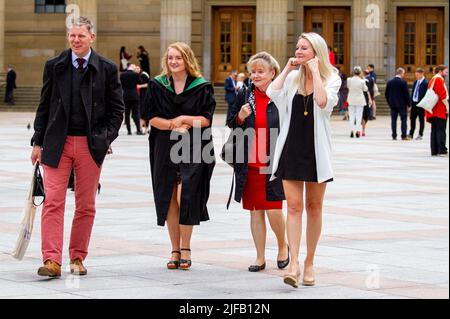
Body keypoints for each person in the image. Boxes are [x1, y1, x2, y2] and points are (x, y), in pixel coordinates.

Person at [30, 17, 124, 277]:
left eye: (81, 36)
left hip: (89, 145)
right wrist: (37, 142)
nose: (76, 40)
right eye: (72, 36)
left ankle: (77, 258)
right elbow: (44, 105)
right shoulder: (55, 66)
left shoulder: (106, 68)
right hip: (56, 143)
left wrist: (105, 139)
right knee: (52, 202)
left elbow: (117, 111)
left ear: (92, 37)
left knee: (85, 205)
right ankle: (51, 261)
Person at [267, 32, 341, 288]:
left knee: (314, 207)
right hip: (291, 149)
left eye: (304, 48)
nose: (298, 52)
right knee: (294, 207)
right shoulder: (292, 79)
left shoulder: (332, 79)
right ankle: (294, 263)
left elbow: (323, 102)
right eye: (297, 48)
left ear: (316, 52)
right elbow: (271, 92)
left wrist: (316, 74)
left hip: (316, 153)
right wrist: (288, 68)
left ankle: (310, 261)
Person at [143, 42, 216, 270]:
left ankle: (186, 246)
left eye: (178, 58)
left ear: (187, 60)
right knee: (169, 196)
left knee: (186, 195)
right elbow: (149, 116)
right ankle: (175, 248)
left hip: (194, 145)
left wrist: (184, 119)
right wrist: (172, 126)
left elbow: (206, 120)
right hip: (164, 145)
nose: (174, 61)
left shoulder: (202, 87)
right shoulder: (157, 85)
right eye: (170, 58)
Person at [227, 52, 288, 272]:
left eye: (261, 71)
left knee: (273, 209)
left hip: (273, 162)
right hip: (250, 162)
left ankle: (283, 246)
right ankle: (260, 257)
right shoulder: (245, 94)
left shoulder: (281, 96)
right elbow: (231, 122)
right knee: (255, 211)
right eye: (253, 71)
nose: (255, 75)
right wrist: (241, 117)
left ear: (273, 73)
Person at [425, 65, 449, 156]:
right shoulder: (438, 79)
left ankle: (434, 150)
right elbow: (442, 95)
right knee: (441, 129)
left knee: (435, 129)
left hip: (434, 108)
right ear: (440, 71)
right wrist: (447, 106)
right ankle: (441, 150)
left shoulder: (433, 79)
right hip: (439, 108)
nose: (446, 74)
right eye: (445, 72)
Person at [385, 68, 411, 140]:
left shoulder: (390, 82)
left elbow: (386, 94)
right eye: (403, 73)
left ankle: (394, 135)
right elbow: (406, 94)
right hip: (402, 105)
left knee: (393, 120)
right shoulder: (403, 82)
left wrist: (389, 103)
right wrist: (409, 104)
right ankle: (404, 135)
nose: (404, 75)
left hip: (392, 105)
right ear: (401, 73)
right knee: (403, 120)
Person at [120, 63, 143, 135]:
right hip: (134, 95)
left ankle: (129, 131)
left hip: (126, 95)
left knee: (126, 114)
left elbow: (121, 85)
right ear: (132, 67)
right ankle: (138, 130)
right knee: (136, 113)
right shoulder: (135, 74)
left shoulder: (122, 74)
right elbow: (140, 82)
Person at [347, 66, 368, 138]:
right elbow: (365, 89)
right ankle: (358, 131)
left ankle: (351, 131)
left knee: (351, 116)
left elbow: (348, 86)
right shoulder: (362, 81)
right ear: (359, 73)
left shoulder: (349, 80)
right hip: (359, 100)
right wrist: (364, 80)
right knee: (359, 116)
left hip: (351, 99)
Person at [409, 68, 428, 140]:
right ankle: (411, 133)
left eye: (417, 74)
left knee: (421, 119)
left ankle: (420, 134)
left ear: (422, 74)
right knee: (412, 119)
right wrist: (411, 103)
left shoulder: (425, 83)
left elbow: (426, 94)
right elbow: (413, 92)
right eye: (415, 74)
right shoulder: (415, 82)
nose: (416, 76)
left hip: (421, 104)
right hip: (414, 103)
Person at [362, 69, 374, 137]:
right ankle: (362, 130)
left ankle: (357, 129)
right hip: (366, 98)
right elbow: (370, 90)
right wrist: (370, 98)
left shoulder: (362, 80)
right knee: (364, 115)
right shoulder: (371, 79)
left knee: (361, 115)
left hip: (363, 98)